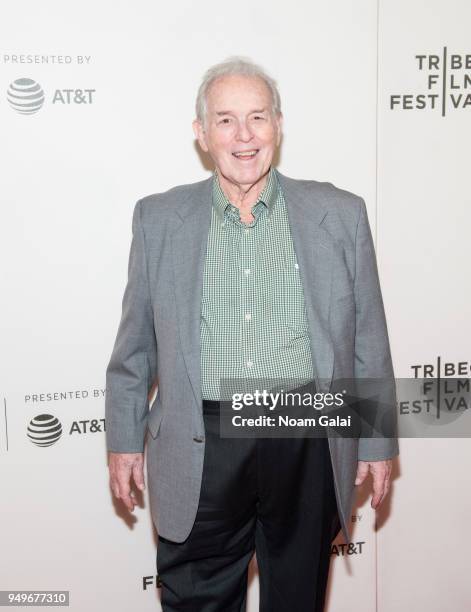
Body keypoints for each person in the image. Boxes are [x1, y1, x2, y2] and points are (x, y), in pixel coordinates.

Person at [105, 56, 399, 611]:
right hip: (201, 440)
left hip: (304, 435)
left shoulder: (340, 214)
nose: (244, 136)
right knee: (199, 602)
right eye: (225, 120)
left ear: (279, 126)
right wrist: (123, 439)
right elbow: (134, 346)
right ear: (201, 133)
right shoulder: (159, 219)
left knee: (297, 599)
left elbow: (368, 340)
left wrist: (377, 441)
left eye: (258, 118)